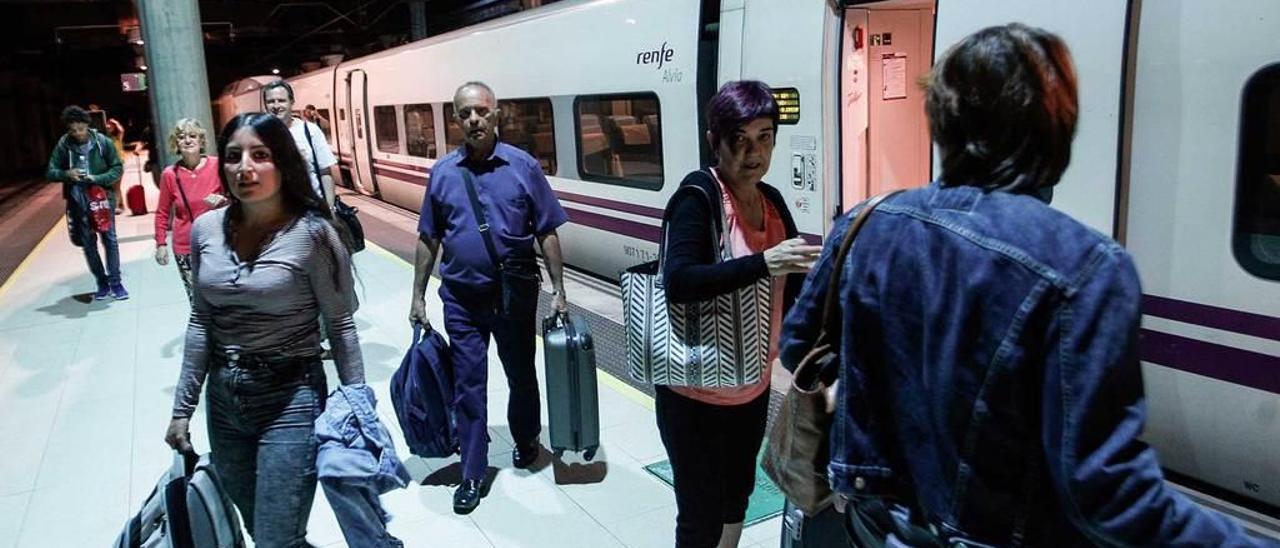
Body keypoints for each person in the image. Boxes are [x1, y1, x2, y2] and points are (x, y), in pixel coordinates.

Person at [779, 24, 1269, 547]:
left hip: (872, 527)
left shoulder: (866, 224)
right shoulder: (1084, 267)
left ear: (942, 122)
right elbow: (1103, 491)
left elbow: (797, 349)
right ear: (1054, 128)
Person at [164, 113, 364, 547]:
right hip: (225, 402)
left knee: (276, 539)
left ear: (283, 164)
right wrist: (182, 408)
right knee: (263, 529)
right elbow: (201, 321)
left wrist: (359, 408)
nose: (244, 168)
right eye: (234, 156)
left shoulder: (313, 235)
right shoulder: (205, 231)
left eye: (260, 155)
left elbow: (341, 324)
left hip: (291, 397)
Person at [657, 80, 822, 548]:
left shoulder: (771, 202)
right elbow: (680, 282)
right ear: (715, 141)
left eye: (765, 137)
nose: (754, 153)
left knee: (737, 498)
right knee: (700, 515)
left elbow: (793, 289)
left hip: (751, 387)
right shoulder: (697, 198)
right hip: (694, 395)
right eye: (739, 140)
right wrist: (762, 263)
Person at [408, 81, 570, 514]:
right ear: (456, 120)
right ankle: (473, 472)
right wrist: (418, 295)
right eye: (465, 113)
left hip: (513, 294)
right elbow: (428, 237)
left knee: (520, 372)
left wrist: (559, 289)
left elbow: (547, 230)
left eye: (481, 111)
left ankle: (525, 436)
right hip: (461, 297)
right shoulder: (443, 173)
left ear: (496, 115)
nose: (474, 119)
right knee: (468, 385)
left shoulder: (523, 166)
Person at [45, 105, 127, 301]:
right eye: (72, 130)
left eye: (80, 129)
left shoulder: (103, 142)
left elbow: (117, 168)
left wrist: (97, 178)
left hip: (102, 199)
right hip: (78, 201)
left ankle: (116, 282)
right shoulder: (64, 144)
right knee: (89, 244)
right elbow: (50, 172)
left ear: (87, 125)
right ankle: (102, 282)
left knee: (110, 240)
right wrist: (67, 174)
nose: (77, 134)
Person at [154, 118, 228, 303]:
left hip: (218, 241)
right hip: (186, 245)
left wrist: (224, 201)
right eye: (181, 137)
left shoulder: (217, 165)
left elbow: (239, 199)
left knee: (223, 295)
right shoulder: (170, 174)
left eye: (193, 136)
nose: (187, 140)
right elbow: (162, 212)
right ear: (176, 143)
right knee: (196, 298)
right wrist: (161, 244)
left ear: (201, 141)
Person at [262, 80, 340, 207]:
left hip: (311, 209)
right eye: (271, 101)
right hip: (275, 213)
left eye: (281, 100)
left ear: (291, 102)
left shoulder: (310, 131)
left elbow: (325, 173)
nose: (276, 106)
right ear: (265, 105)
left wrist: (330, 209)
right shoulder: (259, 134)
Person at [106, 117, 127, 213]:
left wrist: (115, 121)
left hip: (118, 164)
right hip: (110, 165)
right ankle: (121, 205)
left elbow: (122, 130)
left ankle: (117, 206)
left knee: (116, 186)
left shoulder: (117, 137)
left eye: (111, 126)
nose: (109, 127)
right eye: (108, 126)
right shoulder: (105, 138)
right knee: (115, 186)